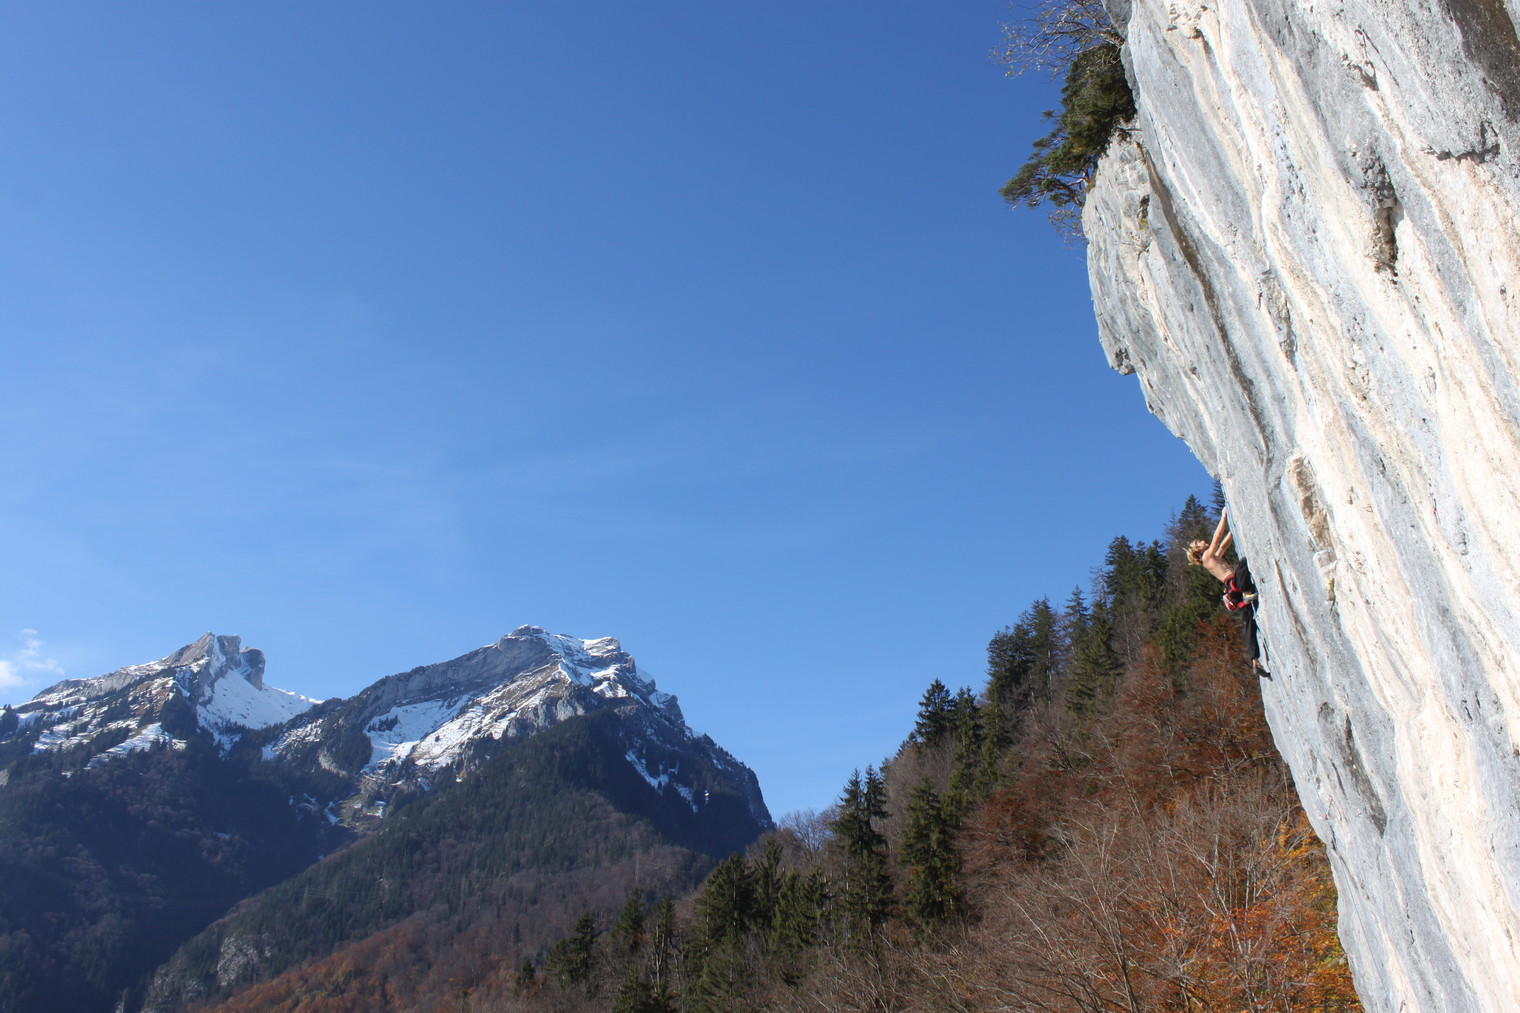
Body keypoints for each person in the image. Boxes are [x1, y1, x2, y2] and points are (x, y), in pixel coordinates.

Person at [1186, 508, 1269, 675]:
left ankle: (1254, 660)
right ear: (1198, 550)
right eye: (1200, 543)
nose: (1203, 541)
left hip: (1234, 590)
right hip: (1234, 584)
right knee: (1243, 563)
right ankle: (1246, 592)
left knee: (1249, 622)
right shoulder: (1206, 558)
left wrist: (1234, 527)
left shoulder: (1212, 557)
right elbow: (1217, 538)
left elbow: (1223, 544)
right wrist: (1224, 516)